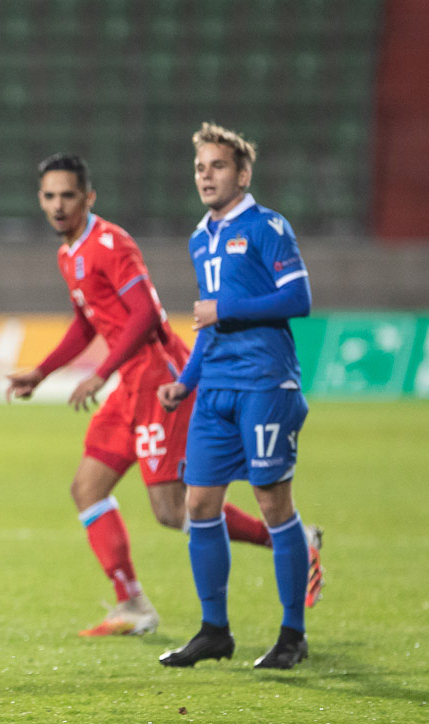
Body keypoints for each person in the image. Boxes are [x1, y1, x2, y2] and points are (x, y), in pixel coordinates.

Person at [7, 154, 320, 638]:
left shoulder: (111, 244)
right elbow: (88, 322)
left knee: (173, 511)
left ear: (88, 197)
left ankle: (292, 540)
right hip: (128, 385)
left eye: (68, 195)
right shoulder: (68, 254)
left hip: (157, 381)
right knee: (87, 488)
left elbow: (147, 314)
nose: (58, 205)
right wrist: (42, 372)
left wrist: (100, 373)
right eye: (50, 196)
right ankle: (132, 603)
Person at [157, 123, 321, 670]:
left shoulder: (268, 226)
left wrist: (225, 308)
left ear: (243, 174)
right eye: (200, 167)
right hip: (215, 389)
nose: (206, 176)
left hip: (265, 383)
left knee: (273, 504)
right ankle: (214, 631)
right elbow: (208, 324)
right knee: (199, 506)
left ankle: (292, 635)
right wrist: (186, 380)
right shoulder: (199, 238)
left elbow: (298, 297)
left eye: (218, 166)